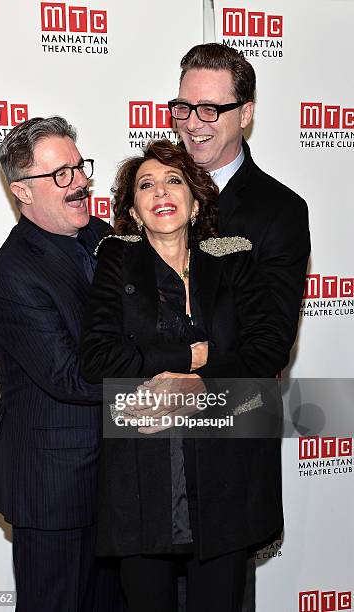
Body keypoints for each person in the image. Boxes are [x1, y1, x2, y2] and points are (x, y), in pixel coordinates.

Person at [80, 139, 290, 612]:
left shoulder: (232, 257)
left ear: (195, 202)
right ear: (134, 211)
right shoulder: (116, 261)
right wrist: (192, 355)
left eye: (174, 181)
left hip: (226, 476)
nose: (161, 192)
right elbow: (97, 357)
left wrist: (202, 381)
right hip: (143, 479)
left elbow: (266, 349)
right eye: (146, 185)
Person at [168, 43, 311, 610]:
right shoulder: (148, 192)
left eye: (210, 109)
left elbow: (270, 341)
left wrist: (187, 369)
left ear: (244, 113)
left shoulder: (279, 209)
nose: (193, 123)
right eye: (183, 107)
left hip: (225, 454)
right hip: (144, 457)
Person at [0, 116, 123, 612]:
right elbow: (69, 375)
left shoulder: (104, 238)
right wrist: (163, 377)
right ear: (23, 192)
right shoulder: (13, 273)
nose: (81, 181)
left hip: (119, 484)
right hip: (55, 493)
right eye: (61, 174)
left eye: (79, 167)